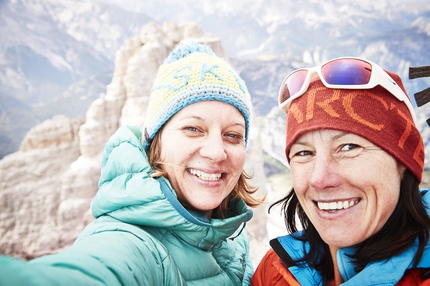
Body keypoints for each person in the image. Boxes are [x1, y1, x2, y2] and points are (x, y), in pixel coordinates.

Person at [0, 41, 264, 285]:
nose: (217, 152)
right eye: (193, 129)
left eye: (233, 135)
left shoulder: (231, 227)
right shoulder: (134, 244)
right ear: (156, 140)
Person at [252, 57, 430, 285]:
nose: (319, 179)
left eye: (348, 147)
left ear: (403, 162)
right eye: (304, 153)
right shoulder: (274, 270)